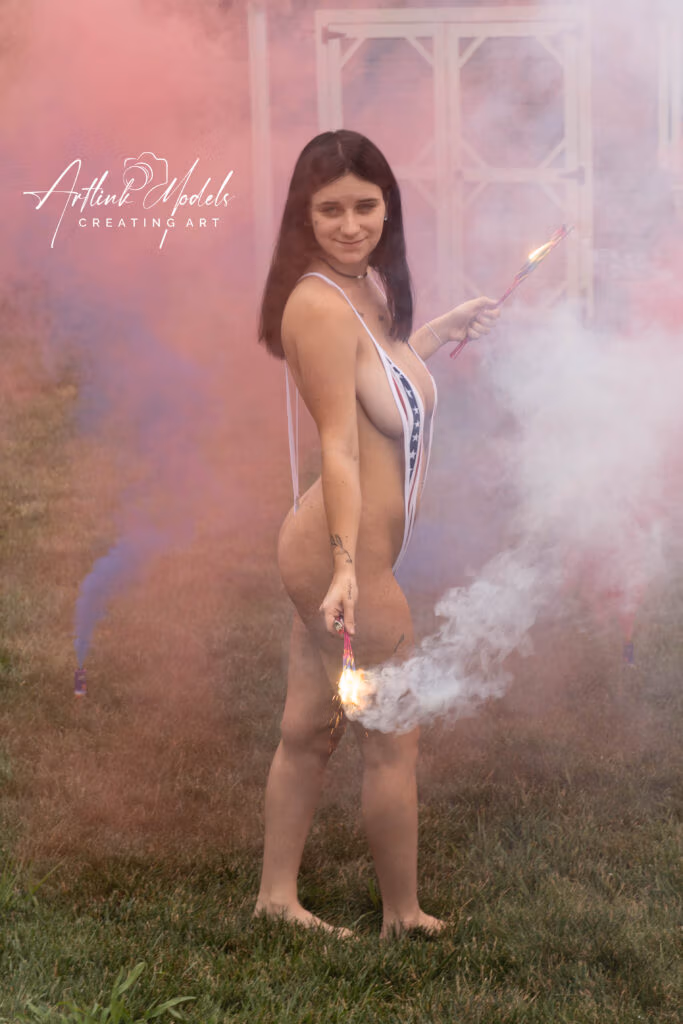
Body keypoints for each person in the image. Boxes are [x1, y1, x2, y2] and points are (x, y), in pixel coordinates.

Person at [255, 130, 499, 938]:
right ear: (305, 213)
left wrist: (440, 329)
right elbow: (338, 443)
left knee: (306, 728)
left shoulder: (365, 287)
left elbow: (380, 387)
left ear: (387, 206)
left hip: (343, 551)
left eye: (365, 205)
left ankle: (275, 899)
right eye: (330, 210)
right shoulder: (318, 304)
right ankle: (402, 914)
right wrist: (345, 570)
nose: (350, 224)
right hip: (340, 554)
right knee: (394, 731)